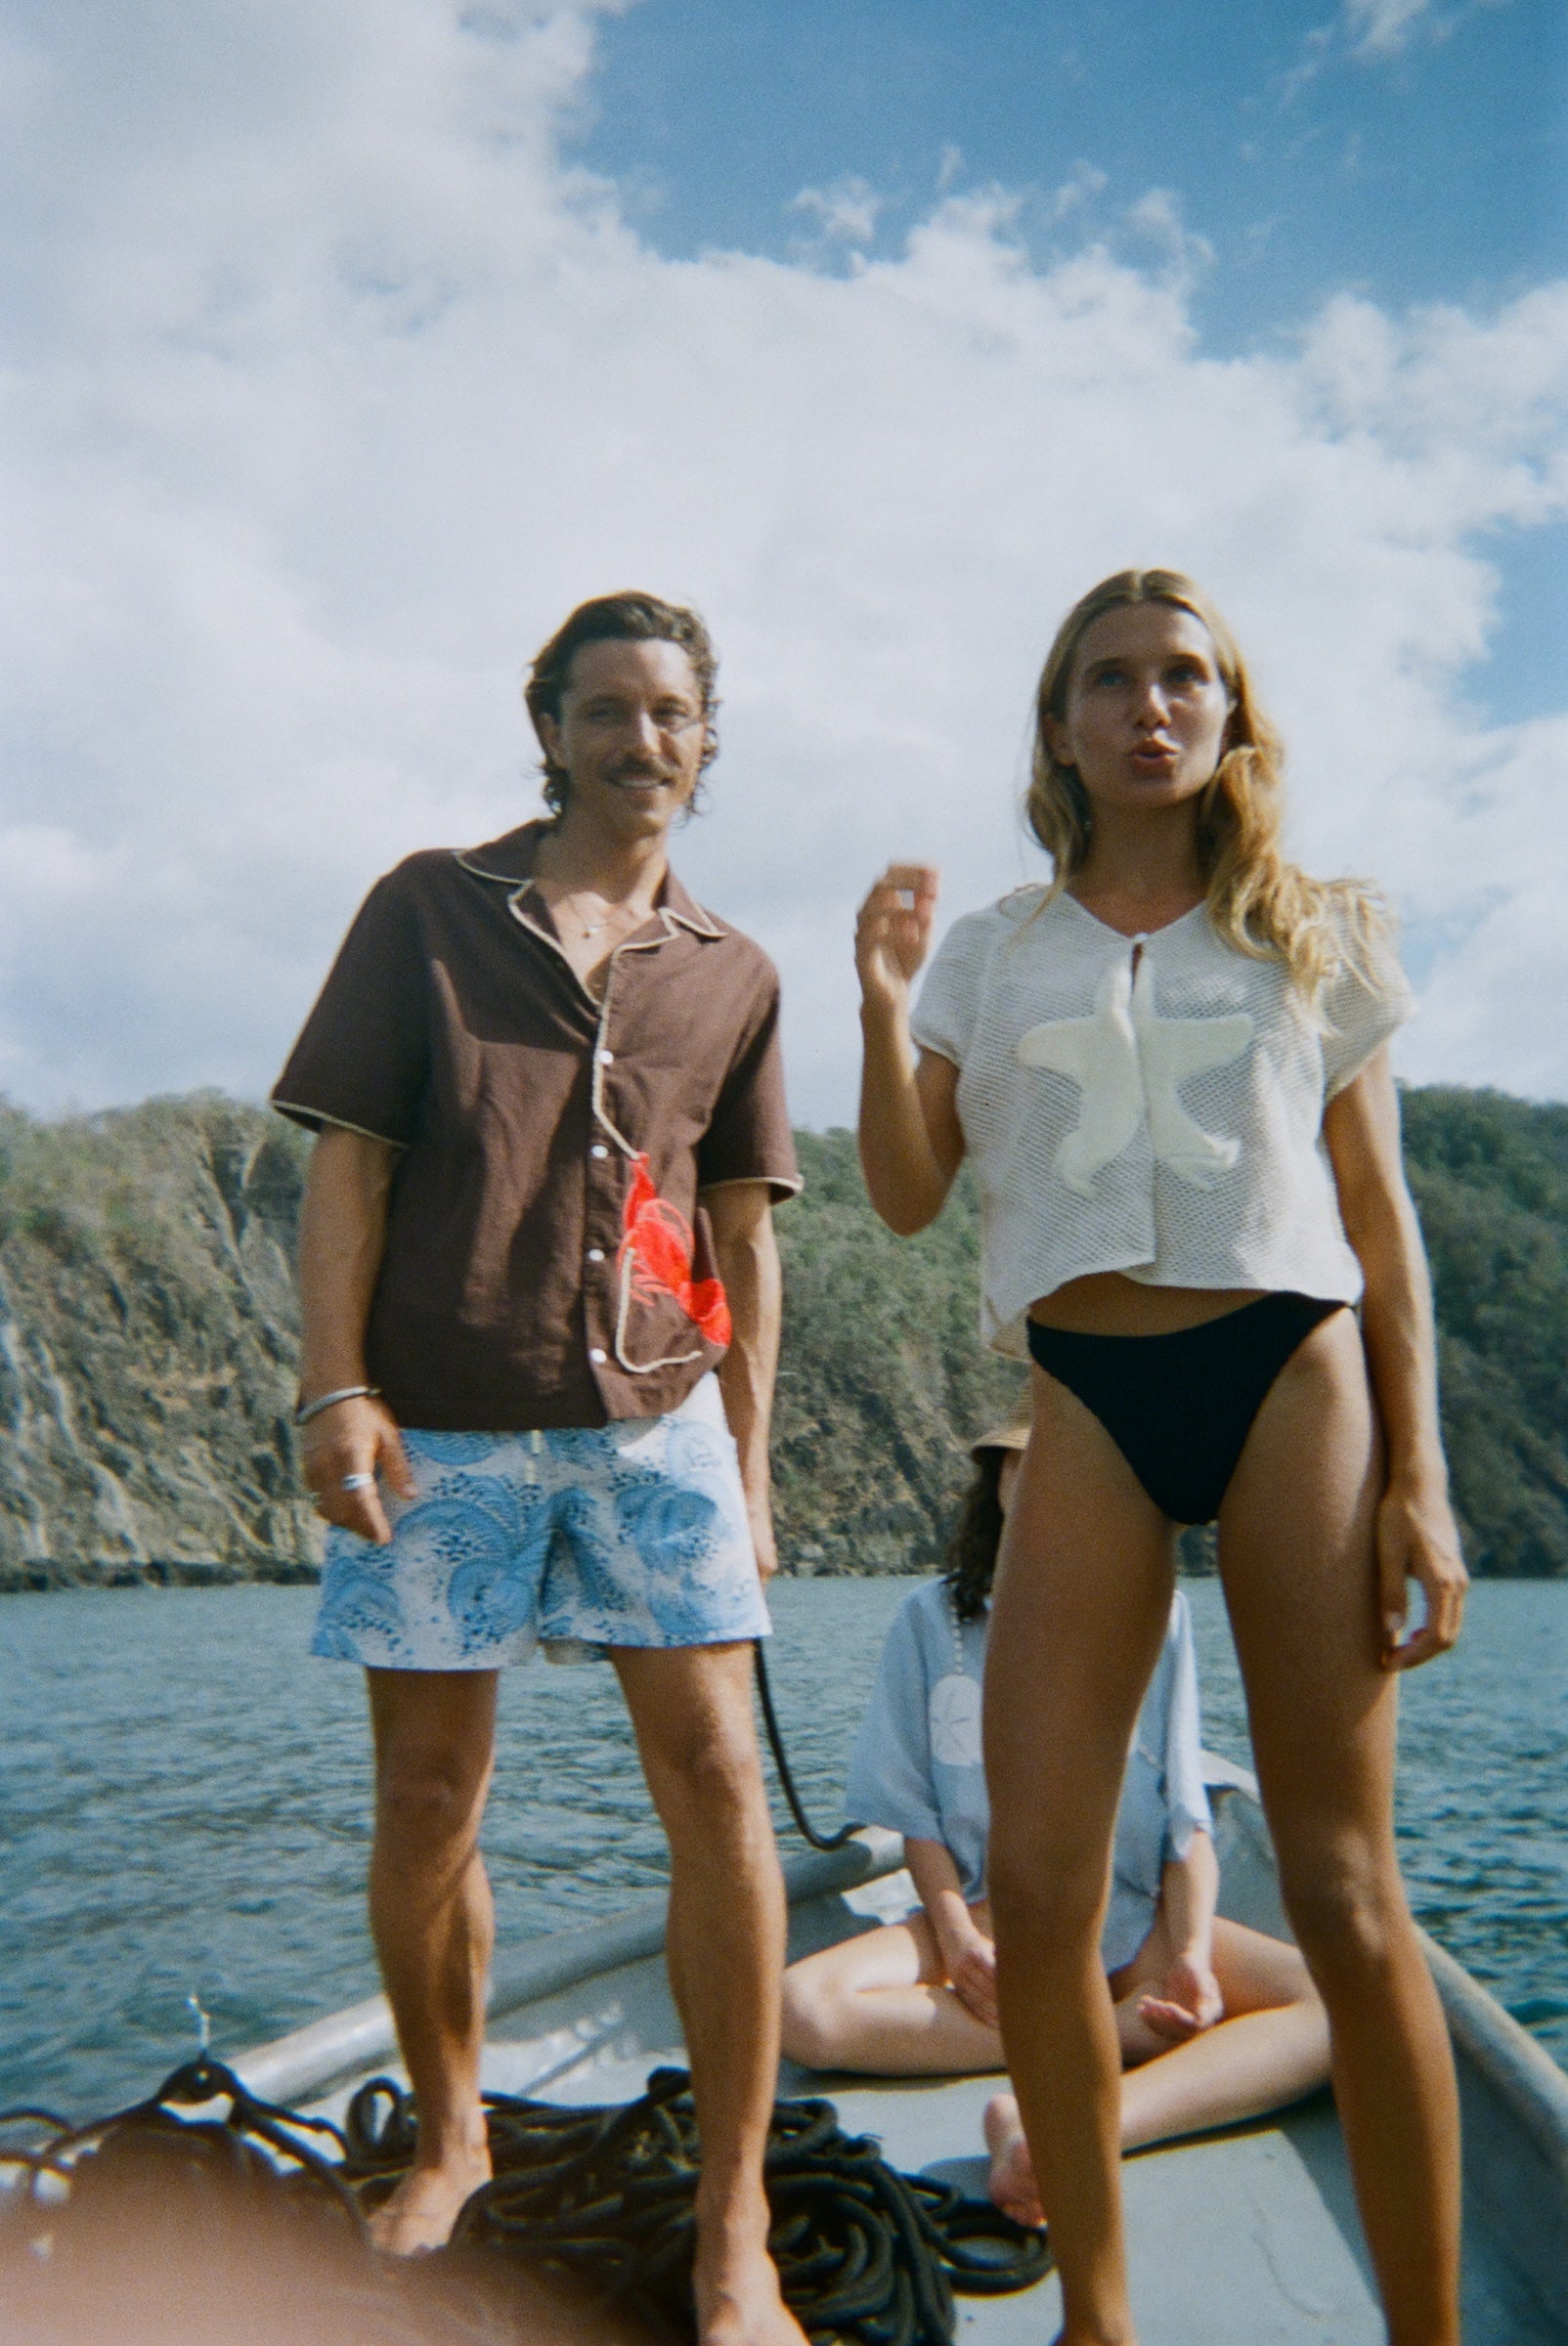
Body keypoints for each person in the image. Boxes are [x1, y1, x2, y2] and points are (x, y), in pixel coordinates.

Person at [853, 570, 1467, 2346]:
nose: (1148, 705)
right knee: (1039, 1895)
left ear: (1227, 713)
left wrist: (1416, 1476)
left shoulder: (1314, 928)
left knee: (1345, 1892)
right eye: (1108, 679)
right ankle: (1097, 2322)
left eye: (1183, 676)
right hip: (1083, 1399)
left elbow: (1380, 1218)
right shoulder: (990, 944)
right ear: (1057, 723)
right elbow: (901, 1198)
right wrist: (886, 1002)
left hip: (1290, 1373)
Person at [271, 591, 809, 2346]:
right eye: (603, 710)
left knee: (719, 1784)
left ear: (705, 741)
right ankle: (451, 2136)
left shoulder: (734, 970)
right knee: (430, 1801)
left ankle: (732, 2232)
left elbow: (741, 1229)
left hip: (659, 1425)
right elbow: (346, 1173)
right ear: (551, 726)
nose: (637, 741)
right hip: (436, 1419)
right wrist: (329, 1387)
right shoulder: (428, 908)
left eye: (668, 714)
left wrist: (752, 1455)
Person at [779, 1425, 1330, 2221]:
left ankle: (1067, 2125)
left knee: (1335, 2007)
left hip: (1137, 1917)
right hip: (995, 1923)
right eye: (1022, 1458)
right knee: (806, 2009)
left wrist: (1196, 1956)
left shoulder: (1155, 1612)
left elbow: (1185, 1816)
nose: (1044, 1476)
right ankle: (1114, 2038)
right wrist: (961, 1942)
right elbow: (914, 1816)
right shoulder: (931, 1621)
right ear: (995, 1477)